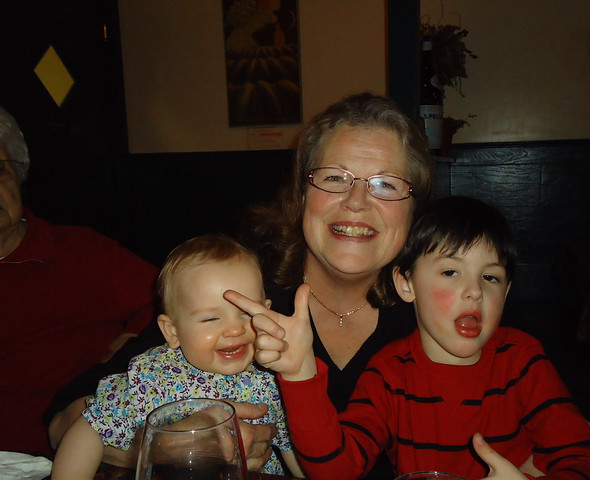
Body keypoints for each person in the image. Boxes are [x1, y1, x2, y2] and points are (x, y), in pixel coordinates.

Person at [47, 92, 434, 478]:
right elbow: (63, 421)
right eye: (335, 178)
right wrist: (166, 446)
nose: (356, 202)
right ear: (301, 195)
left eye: (386, 184)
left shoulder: (437, 312)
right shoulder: (233, 290)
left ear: (413, 209)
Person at [247, 196, 590, 480]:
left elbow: (589, 461)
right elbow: (335, 470)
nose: (474, 292)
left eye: (490, 277)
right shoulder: (388, 373)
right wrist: (300, 373)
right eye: (451, 272)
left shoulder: (522, 359)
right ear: (406, 283)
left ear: (506, 291)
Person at [51, 233, 303, 479]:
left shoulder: (271, 383)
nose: (235, 329)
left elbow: (296, 451)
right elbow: (91, 428)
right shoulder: (153, 377)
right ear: (172, 331)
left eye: (247, 313)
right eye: (211, 318)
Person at [0, 105, 158, 455]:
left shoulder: (80, 252)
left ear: (18, 173)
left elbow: (176, 298)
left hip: (72, 452)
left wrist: (133, 339)